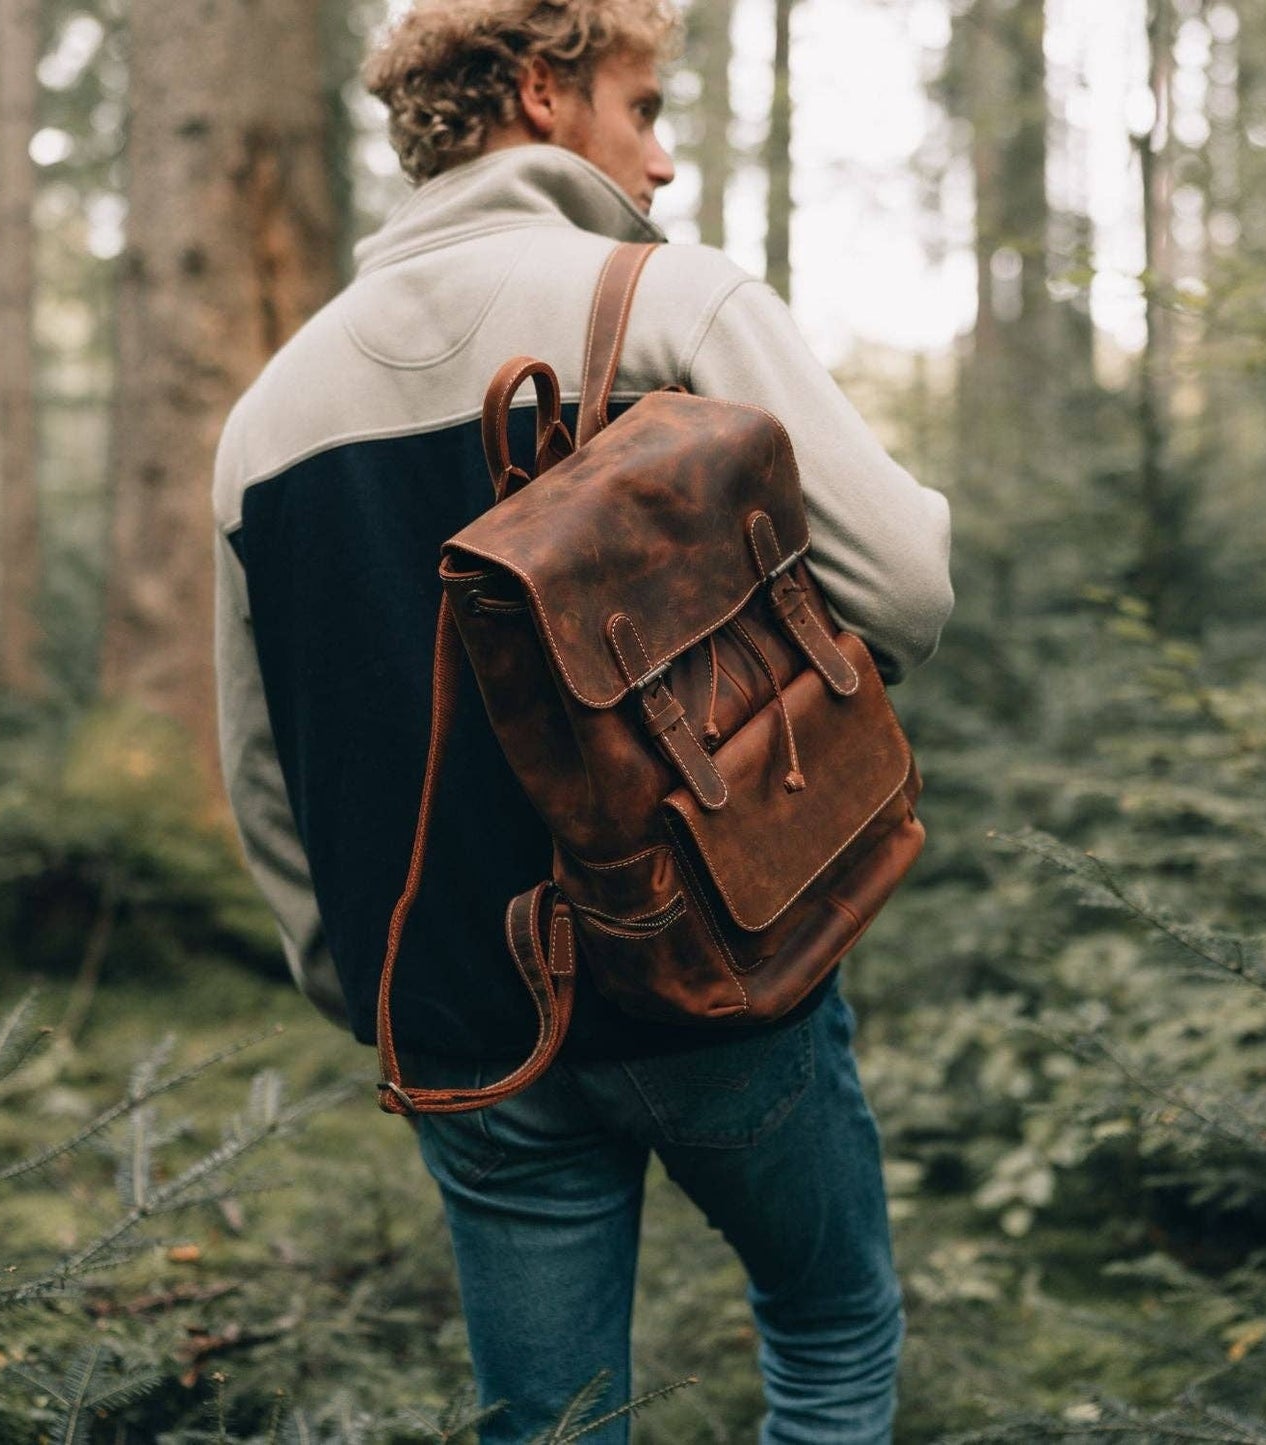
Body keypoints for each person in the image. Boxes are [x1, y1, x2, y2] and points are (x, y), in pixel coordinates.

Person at [213, 0, 954, 1439]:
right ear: (544, 95)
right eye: (646, 106)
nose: (663, 161)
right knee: (827, 1320)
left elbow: (263, 764)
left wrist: (362, 983)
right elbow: (905, 586)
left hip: (452, 1007)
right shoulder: (670, 302)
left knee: (547, 1422)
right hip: (708, 954)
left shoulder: (265, 414)